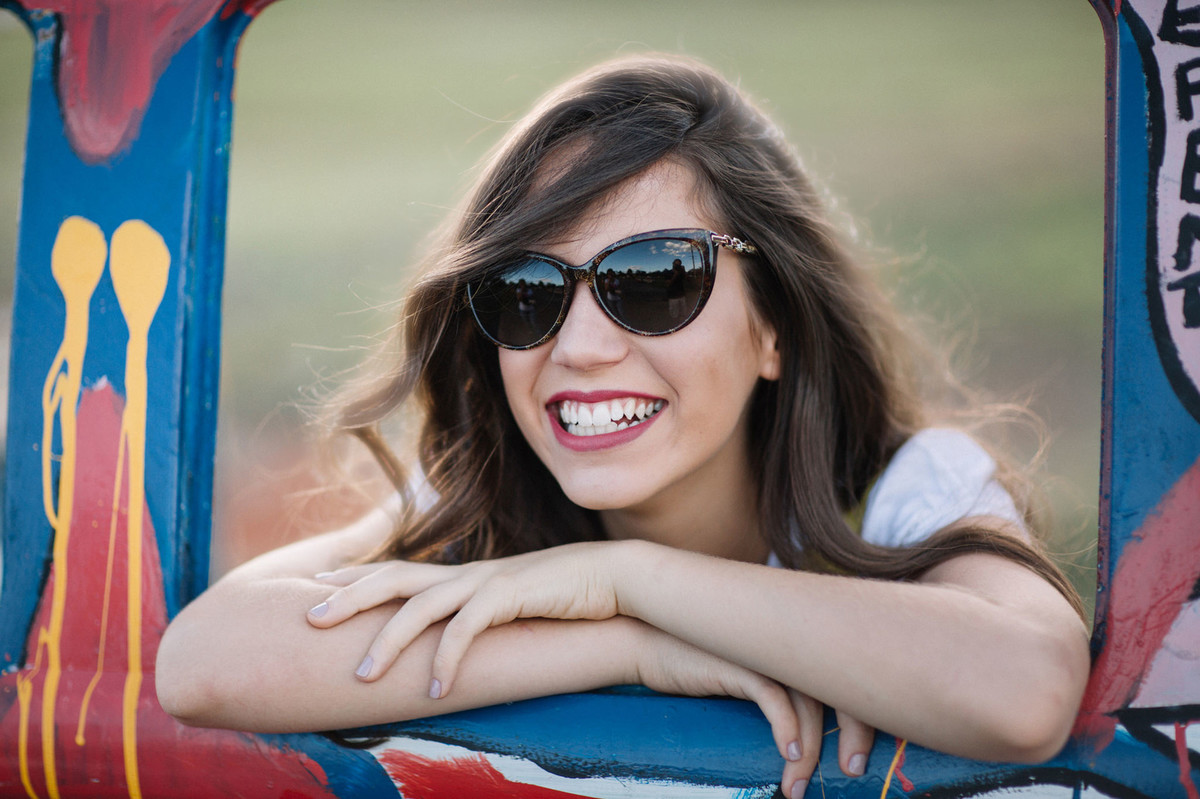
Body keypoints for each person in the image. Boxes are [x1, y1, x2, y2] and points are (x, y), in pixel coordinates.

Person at [155, 55, 1090, 798]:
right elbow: (206, 661)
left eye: (654, 279)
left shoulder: (902, 494)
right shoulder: (484, 498)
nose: (580, 347)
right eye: (525, 294)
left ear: (774, 324)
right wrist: (631, 639)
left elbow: (1024, 692)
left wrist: (628, 576)